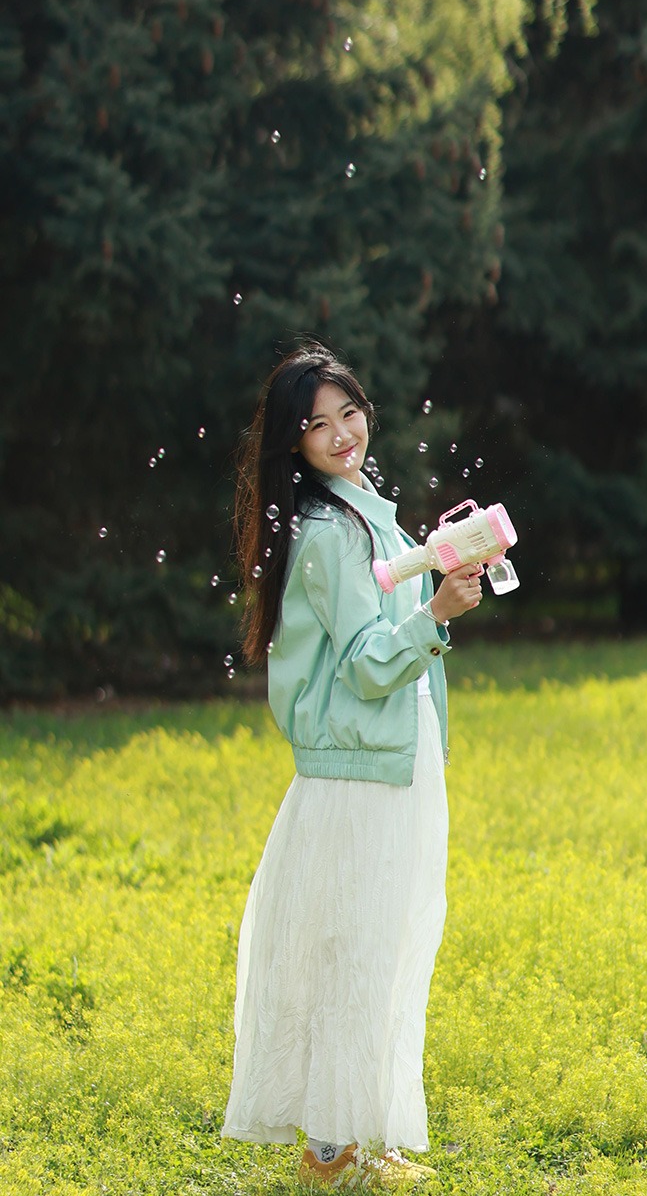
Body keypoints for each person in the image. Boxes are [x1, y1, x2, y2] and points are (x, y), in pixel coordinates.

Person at [221, 344, 483, 1190]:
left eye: (349, 413)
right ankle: (331, 1153)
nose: (341, 434)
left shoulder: (363, 512)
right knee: (354, 952)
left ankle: (354, 1135)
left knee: (381, 947)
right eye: (317, 425)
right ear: (293, 443)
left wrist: (440, 567)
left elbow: (384, 624)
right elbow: (368, 663)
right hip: (360, 773)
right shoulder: (331, 532)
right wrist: (437, 612)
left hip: (387, 760)